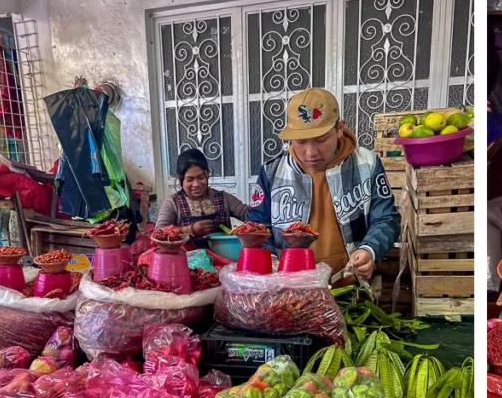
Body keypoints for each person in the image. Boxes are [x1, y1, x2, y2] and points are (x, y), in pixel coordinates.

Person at [245, 88, 401, 283]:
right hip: (290, 291)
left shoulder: (367, 165)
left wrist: (369, 249)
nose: (311, 153)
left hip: (350, 286)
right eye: (300, 142)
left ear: (339, 128)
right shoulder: (272, 172)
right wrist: (272, 266)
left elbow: (386, 218)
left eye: (321, 139)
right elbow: (257, 229)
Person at [155, 148, 248, 248]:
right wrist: (189, 230)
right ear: (180, 179)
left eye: (201, 178)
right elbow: (159, 233)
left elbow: (250, 215)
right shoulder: (173, 203)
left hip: (225, 259)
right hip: (187, 261)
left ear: (207, 174)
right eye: (189, 179)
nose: (196, 184)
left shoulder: (224, 198)